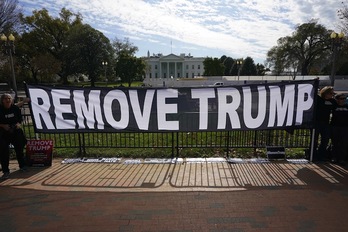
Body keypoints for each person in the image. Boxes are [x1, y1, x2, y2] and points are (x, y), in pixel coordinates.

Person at [0, 93, 27, 180]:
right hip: (3, 133)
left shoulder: (15, 108)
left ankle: (22, 166)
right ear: (2, 100)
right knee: (4, 152)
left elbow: (20, 120)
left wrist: (18, 124)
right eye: (6, 99)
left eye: (9, 98)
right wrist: (3, 125)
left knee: (19, 148)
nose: (8, 100)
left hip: (15, 132)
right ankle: (6, 171)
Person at [313, 86, 337, 162]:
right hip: (316, 123)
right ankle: (313, 155)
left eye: (333, 93)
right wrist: (316, 82)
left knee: (325, 140)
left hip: (326, 123)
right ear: (325, 93)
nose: (332, 95)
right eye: (330, 93)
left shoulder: (333, 101)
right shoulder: (318, 99)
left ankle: (321, 156)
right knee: (314, 140)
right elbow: (312, 91)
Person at [330, 93, 348, 165]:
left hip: (345, 127)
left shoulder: (347, 106)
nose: (343, 100)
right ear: (337, 100)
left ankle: (342, 159)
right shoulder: (334, 106)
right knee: (334, 142)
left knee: (344, 143)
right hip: (335, 126)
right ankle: (334, 157)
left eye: (344, 98)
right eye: (341, 99)